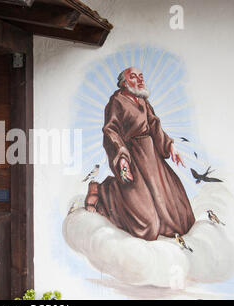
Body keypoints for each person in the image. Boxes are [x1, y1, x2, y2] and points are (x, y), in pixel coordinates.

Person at [84, 67, 195, 241]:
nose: (140, 80)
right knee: (147, 227)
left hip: (151, 158)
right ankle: (102, 190)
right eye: (133, 77)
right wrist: (122, 156)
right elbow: (110, 130)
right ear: (124, 83)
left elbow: (154, 124)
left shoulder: (143, 101)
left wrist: (170, 146)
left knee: (180, 221)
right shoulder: (116, 101)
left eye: (141, 76)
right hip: (132, 157)